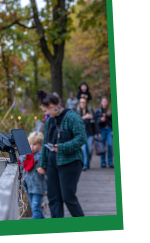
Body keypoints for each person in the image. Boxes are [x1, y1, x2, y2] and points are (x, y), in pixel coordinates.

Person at [35, 90, 87, 218]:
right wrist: (42, 164)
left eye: (46, 110)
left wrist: (63, 147)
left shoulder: (73, 117)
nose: (45, 113)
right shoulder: (49, 120)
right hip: (52, 164)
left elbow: (81, 138)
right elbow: (46, 142)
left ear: (52, 106)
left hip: (70, 162)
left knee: (68, 197)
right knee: (53, 198)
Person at [22, 131, 47, 219]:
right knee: (36, 209)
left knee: (35, 209)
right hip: (29, 187)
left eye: (35, 144)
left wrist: (48, 188)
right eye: (30, 144)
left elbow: (47, 173)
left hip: (38, 187)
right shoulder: (27, 156)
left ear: (41, 145)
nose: (31, 147)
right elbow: (21, 164)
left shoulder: (41, 157)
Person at [76, 94, 95, 171]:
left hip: (90, 133)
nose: (82, 104)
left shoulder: (90, 111)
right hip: (81, 134)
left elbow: (95, 121)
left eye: (83, 102)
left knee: (90, 149)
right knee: (83, 149)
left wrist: (97, 132)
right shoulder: (77, 111)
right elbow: (76, 121)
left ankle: (88, 162)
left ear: (86, 103)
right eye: (81, 102)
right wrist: (85, 117)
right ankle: (85, 165)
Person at [96, 97, 113, 168]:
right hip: (102, 129)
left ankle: (110, 162)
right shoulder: (98, 111)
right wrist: (100, 120)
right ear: (101, 103)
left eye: (105, 101)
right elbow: (96, 122)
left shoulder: (110, 110)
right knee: (102, 146)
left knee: (109, 145)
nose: (104, 103)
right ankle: (103, 162)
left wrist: (113, 130)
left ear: (107, 102)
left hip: (109, 129)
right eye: (103, 101)